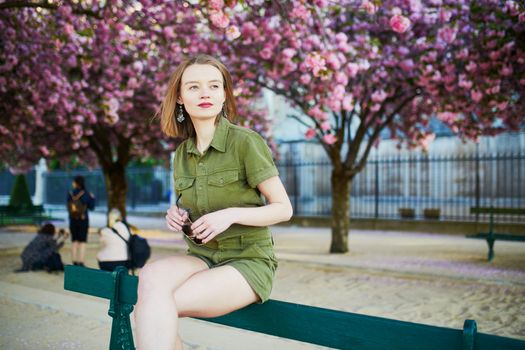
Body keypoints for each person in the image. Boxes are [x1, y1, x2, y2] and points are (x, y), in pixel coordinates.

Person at [135, 54, 293, 349]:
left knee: (156, 307)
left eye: (214, 86)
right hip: (201, 256)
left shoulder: (246, 142)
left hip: (247, 260)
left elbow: (284, 209)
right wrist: (178, 216)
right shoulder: (182, 154)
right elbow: (192, 211)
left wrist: (230, 214)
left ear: (224, 95)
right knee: (151, 276)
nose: (205, 93)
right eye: (193, 87)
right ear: (180, 98)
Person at [66, 175, 95, 267]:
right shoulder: (86, 193)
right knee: (82, 242)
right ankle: (81, 262)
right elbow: (92, 207)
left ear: (76, 183)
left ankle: (74, 261)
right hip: (83, 220)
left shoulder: (70, 193)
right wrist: (92, 198)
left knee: (74, 241)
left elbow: (68, 207)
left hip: (73, 220)